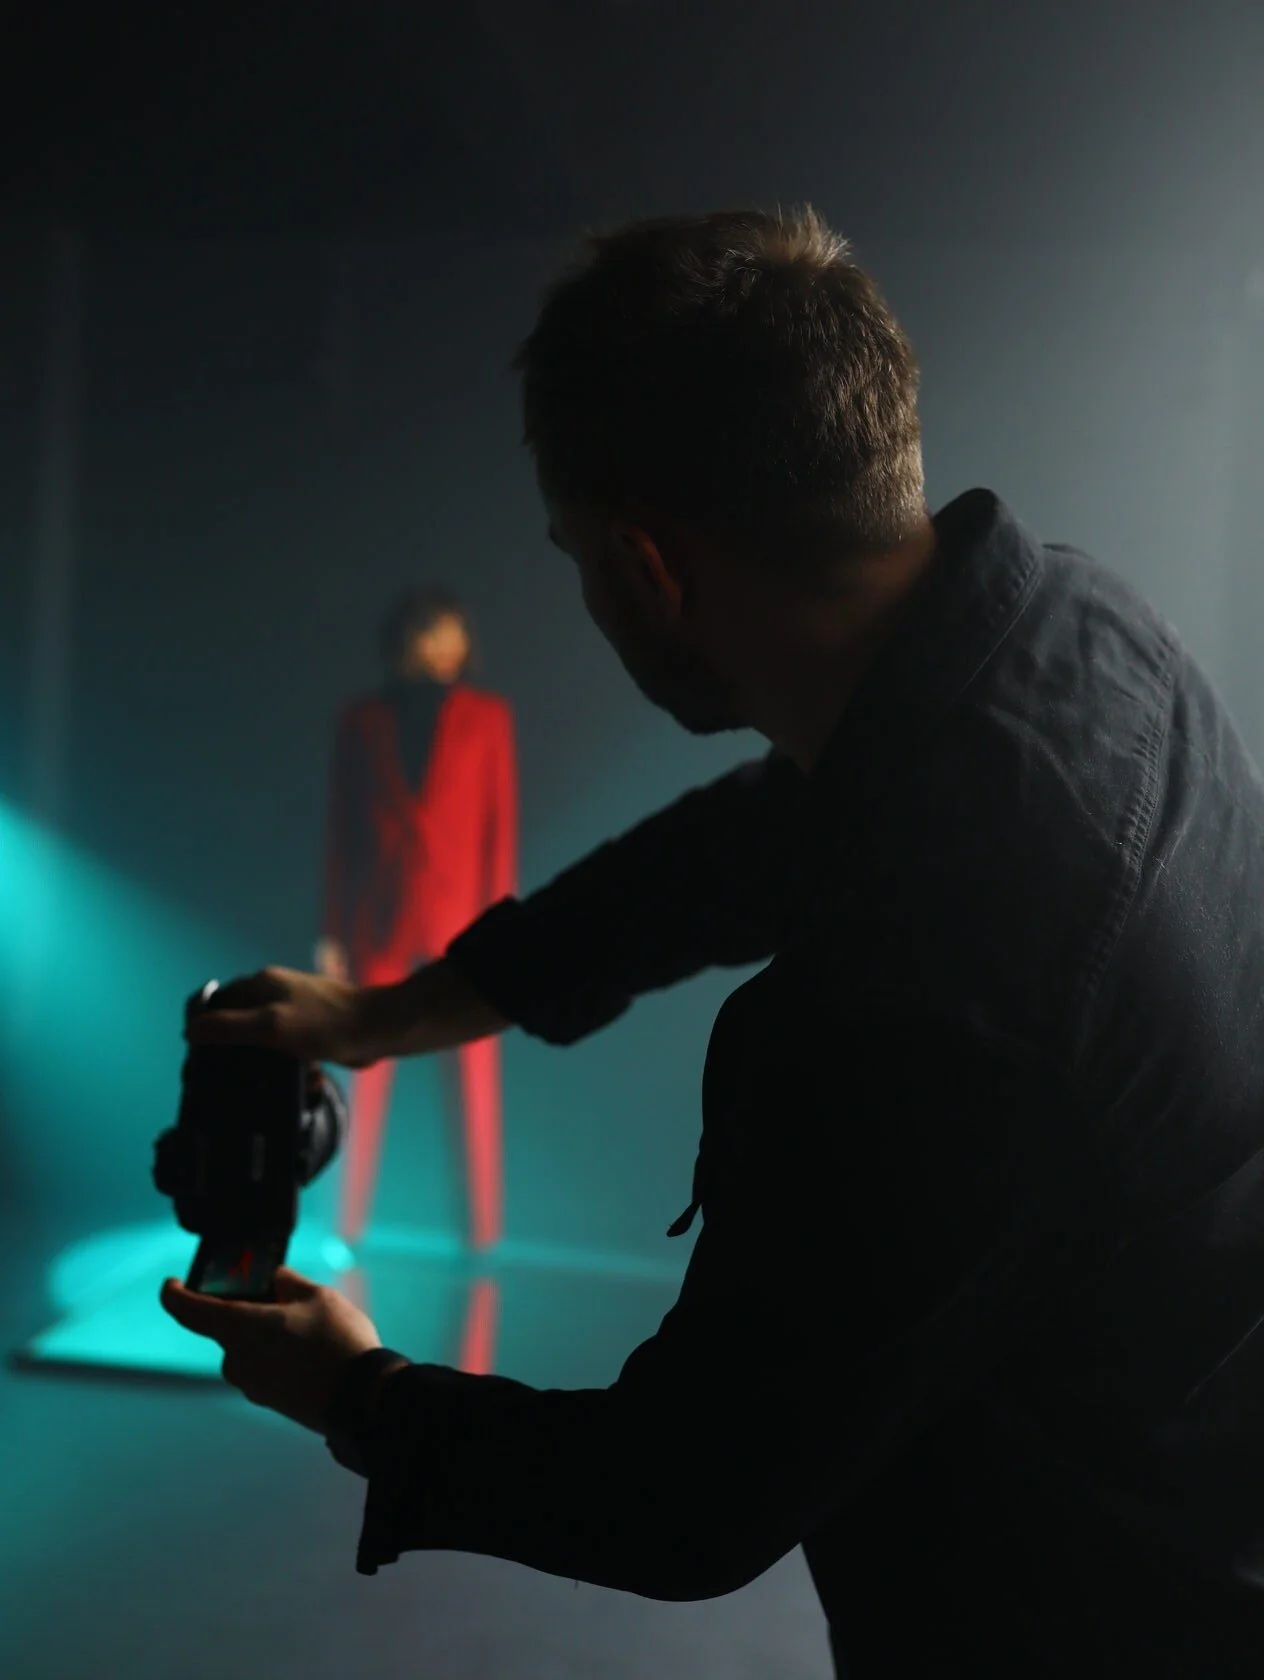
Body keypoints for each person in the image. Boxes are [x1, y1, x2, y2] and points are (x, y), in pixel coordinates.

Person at [161, 207, 1264, 1676]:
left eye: (574, 557)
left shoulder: (924, 975)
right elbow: (744, 845)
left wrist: (359, 1394)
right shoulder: (1074, 634)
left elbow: (684, 1497)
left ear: (649, 569)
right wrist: (388, 1013)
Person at [318, 588, 516, 1250]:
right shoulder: (362, 718)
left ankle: (480, 1231)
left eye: (457, 635)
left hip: (465, 917)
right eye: (438, 634)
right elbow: (341, 832)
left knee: (473, 1080)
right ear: (409, 640)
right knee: (360, 1068)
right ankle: (342, 1224)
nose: (450, 647)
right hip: (378, 914)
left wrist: (504, 925)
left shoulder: (488, 719)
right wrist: (332, 928)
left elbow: (499, 829)